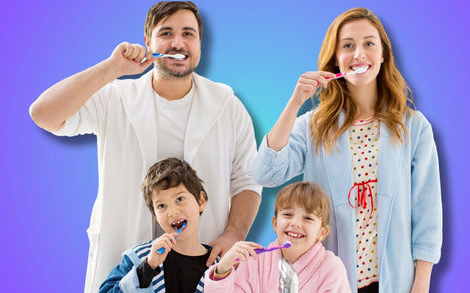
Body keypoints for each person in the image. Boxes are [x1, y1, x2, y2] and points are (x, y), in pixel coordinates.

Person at [29, 2, 261, 293]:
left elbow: (248, 181)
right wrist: (112, 68)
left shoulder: (227, 106)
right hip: (126, 262)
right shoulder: (114, 98)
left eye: (188, 34)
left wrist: (234, 233)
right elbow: (43, 114)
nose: (178, 42)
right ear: (148, 42)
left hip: (201, 265)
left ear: (200, 45)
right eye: (166, 33)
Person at [252, 7, 442, 293]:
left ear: (383, 55)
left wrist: (421, 284)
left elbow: (427, 212)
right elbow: (266, 173)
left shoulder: (413, 127)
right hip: (327, 280)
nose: (359, 54)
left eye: (369, 44)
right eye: (348, 45)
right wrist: (295, 103)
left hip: (395, 281)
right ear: (335, 60)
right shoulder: (312, 126)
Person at [203, 182, 352, 293]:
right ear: (275, 223)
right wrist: (222, 270)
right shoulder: (255, 261)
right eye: (287, 215)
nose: (295, 223)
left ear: (322, 232)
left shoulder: (331, 268)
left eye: (308, 218)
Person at [100, 158, 218, 293]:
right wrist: (148, 267)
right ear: (155, 216)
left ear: (201, 200)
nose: (172, 212)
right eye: (162, 206)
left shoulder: (221, 267)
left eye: (180, 199)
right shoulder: (139, 258)